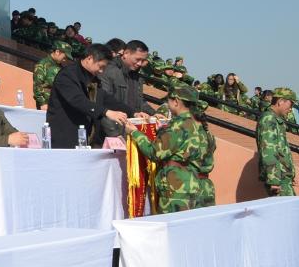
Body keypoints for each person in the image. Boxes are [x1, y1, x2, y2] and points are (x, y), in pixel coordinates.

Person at [124, 84, 208, 213]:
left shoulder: (177, 125)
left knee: (172, 224)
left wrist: (135, 133)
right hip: (194, 184)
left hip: (176, 188)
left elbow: (154, 152)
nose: (167, 105)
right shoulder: (198, 124)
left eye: (168, 101)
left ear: (176, 102)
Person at [46, 43, 133, 148]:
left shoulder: (93, 78)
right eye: (100, 67)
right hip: (65, 135)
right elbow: (77, 100)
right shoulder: (67, 74)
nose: (101, 71)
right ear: (89, 58)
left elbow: (105, 98)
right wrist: (106, 112)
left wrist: (133, 112)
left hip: (84, 136)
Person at [99, 39, 156, 137]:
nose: (139, 63)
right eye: (137, 59)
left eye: (142, 61)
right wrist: (115, 134)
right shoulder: (109, 71)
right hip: (113, 131)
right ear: (126, 54)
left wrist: (154, 114)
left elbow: (139, 101)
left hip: (131, 129)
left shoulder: (136, 76)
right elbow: (105, 101)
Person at [256, 87, 296, 196]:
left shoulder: (275, 119)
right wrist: (273, 180)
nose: (291, 109)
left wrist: (290, 175)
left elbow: (280, 150)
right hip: (279, 180)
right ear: (280, 101)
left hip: (283, 179)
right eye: (290, 104)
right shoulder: (269, 119)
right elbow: (268, 150)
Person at [31, 40, 73, 110]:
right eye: (64, 57)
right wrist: (42, 103)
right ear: (57, 52)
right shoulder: (42, 64)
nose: (65, 60)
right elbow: (37, 85)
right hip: (46, 105)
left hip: (58, 105)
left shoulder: (61, 68)